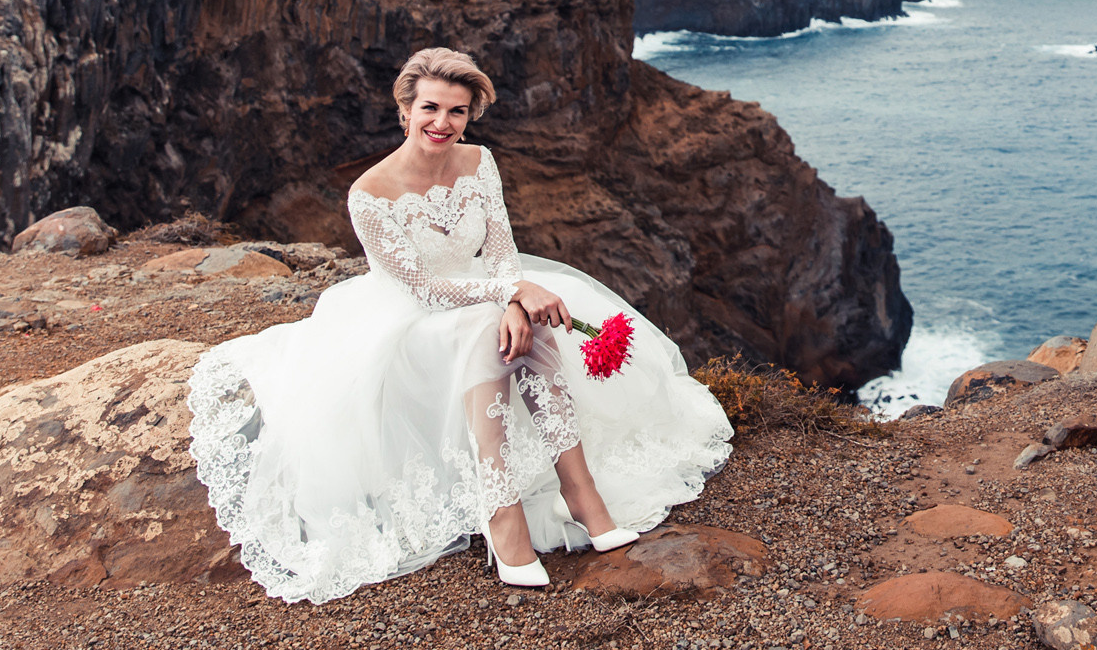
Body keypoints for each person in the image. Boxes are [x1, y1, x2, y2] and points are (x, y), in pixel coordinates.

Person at [187, 47, 733, 601]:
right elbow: (424, 289)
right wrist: (510, 294)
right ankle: (503, 513)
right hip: (410, 321)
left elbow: (501, 252)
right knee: (484, 329)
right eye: (430, 108)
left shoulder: (479, 162)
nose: (442, 123)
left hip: (483, 296)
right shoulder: (369, 193)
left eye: (457, 112)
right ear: (405, 109)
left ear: (471, 115)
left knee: (531, 326)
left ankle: (580, 490)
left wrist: (514, 301)